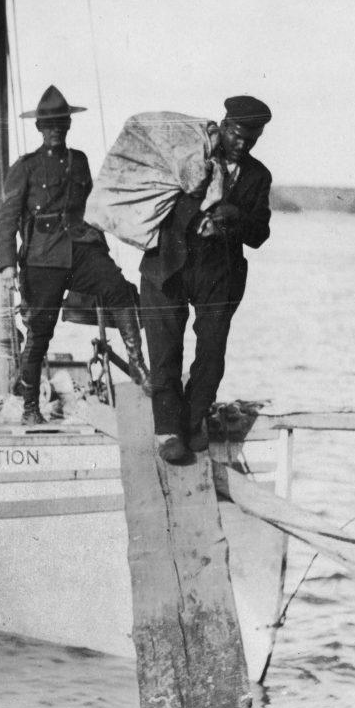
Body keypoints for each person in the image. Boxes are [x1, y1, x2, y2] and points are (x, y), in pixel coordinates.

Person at [0, 85, 150, 425]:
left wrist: (103, 250)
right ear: (39, 128)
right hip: (42, 258)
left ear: (68, 126)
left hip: (81, 248)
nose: (55, 130)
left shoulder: (78, 161)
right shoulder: (26, 167)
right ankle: (30, 407)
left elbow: (91, 209)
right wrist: (7, 264)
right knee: (40, 333)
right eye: (49, 125)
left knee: (120, 290)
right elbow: (7, 217)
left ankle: (138, 363)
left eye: (61, 124)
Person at [139, 95, 272, 463]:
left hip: (219, 272)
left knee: (211, 352)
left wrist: (233, 216)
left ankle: (195, 419)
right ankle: (168, 431)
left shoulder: (258, 176)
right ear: (223, 124)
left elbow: (259, 233)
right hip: (167, 264)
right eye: (236, 134)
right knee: (165, 349)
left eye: (252, 138)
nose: (242, 144)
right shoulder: (189, 154)